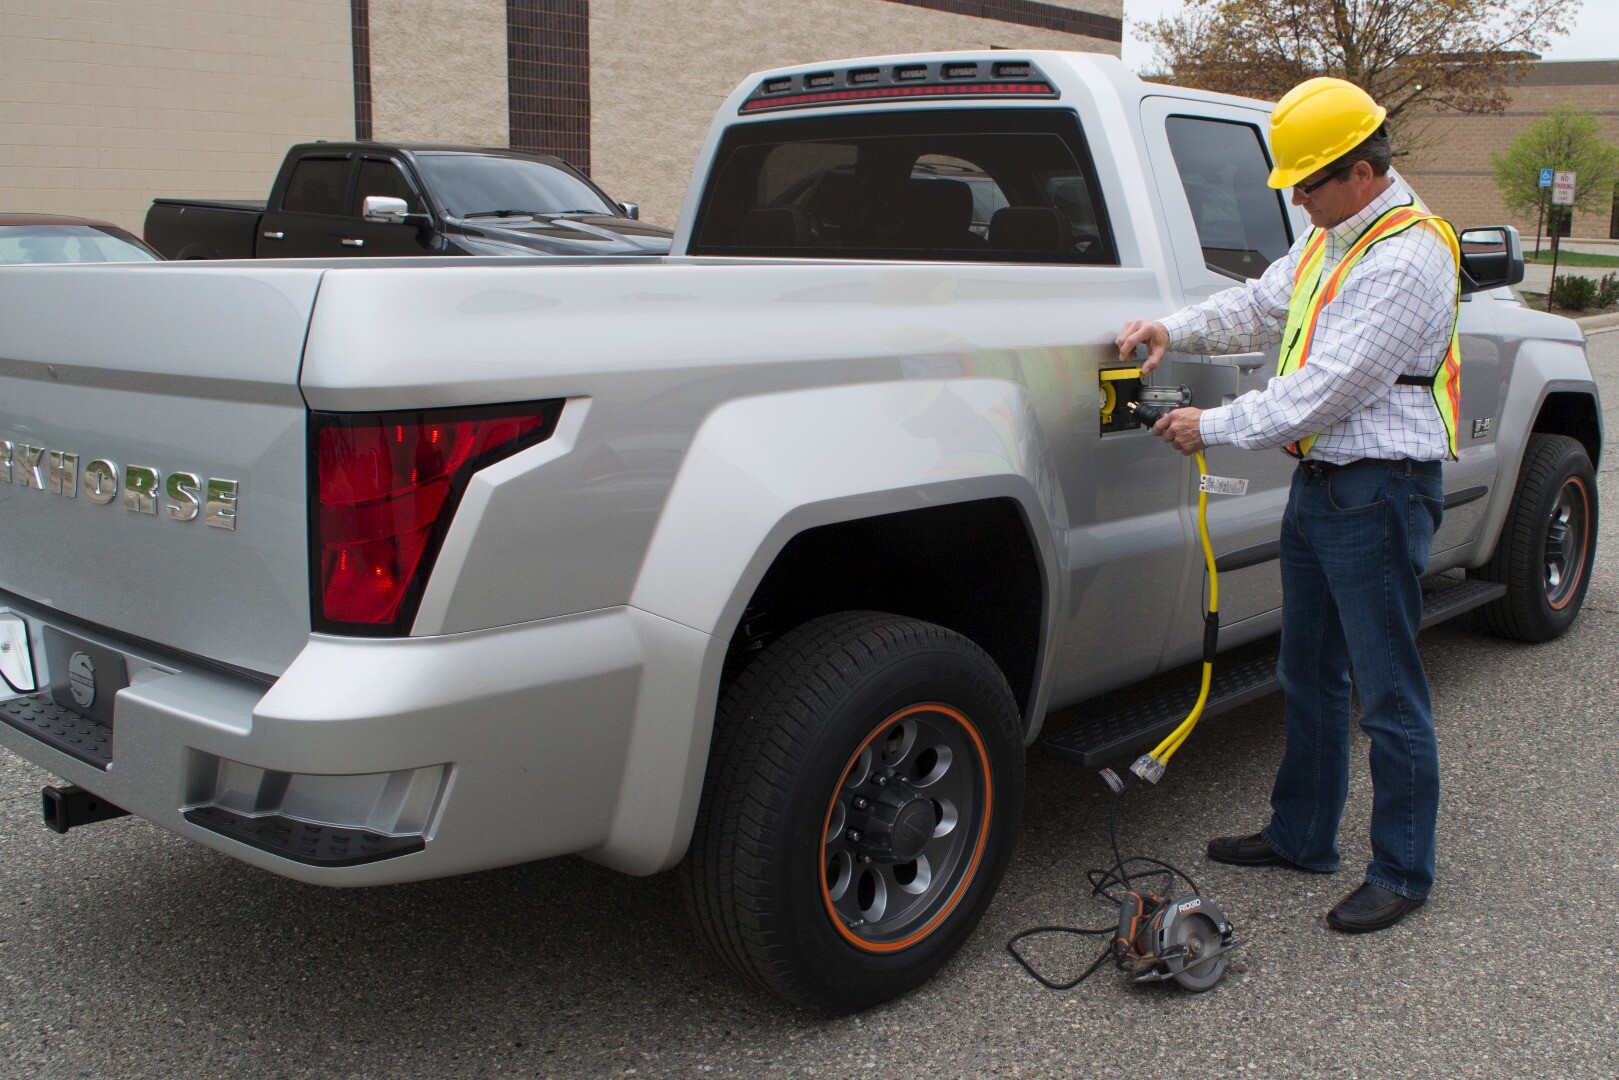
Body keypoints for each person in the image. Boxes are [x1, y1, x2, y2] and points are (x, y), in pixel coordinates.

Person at [1115, 77, 1463, 934]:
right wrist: (1174, 329)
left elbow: (1326, 389)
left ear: (1359, 168)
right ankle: (1302, 836)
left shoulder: (1407, 254)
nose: (1297, 199)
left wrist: (1211, 424)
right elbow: (1260, 302)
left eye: (1306, 184)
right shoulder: (1334, 237)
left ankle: (1402, 871)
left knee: (1387, 693)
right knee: (1305, 672)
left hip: (1378, 490)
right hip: (1324, 487)